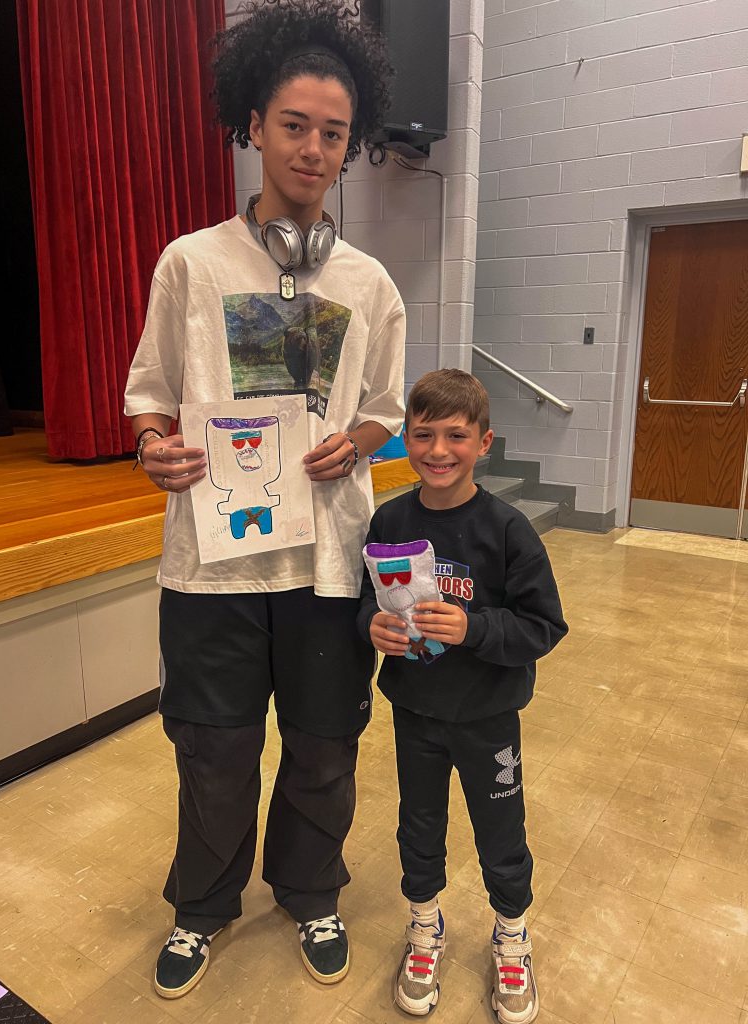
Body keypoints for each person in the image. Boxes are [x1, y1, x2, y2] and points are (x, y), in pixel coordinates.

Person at [124, 0, 403, 1000]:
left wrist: (355, 443)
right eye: (296, 124)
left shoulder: (370, 285)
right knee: (214, 747)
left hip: (329, 564)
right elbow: (150, 404)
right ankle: (203, 908)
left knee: (326, 745)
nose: (316, 148)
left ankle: (310, 887)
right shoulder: (192, 264)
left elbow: (386, 411)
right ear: (253, 124)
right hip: (214, 565)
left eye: (334, 132)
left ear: (352, 141)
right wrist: (156, 449)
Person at [358, 369, 568, 1023]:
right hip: (416, 712)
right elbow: (365, 595)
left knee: (501, 832)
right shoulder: (388, 518)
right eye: (424, 435)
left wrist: (475, 627)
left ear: (485, 442)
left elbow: (544, 625)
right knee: (419, 826)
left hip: (488, 717)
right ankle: (424, 928)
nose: (439, 450)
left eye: (457, 435)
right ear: (406, 440)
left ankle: (512, 937)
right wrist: (372, 623)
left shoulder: (508, 530)